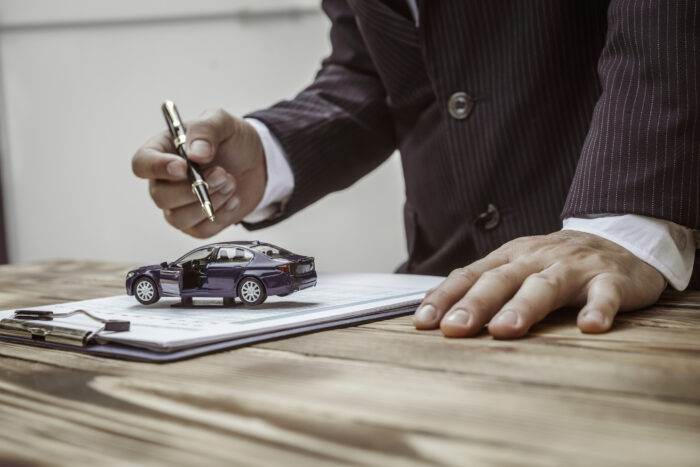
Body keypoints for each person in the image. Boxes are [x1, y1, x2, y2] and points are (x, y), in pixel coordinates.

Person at [132, 0, 699, 339]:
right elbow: (374, 68)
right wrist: (270, 151)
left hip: (649, 304)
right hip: (443, 295)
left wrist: (627, 224)